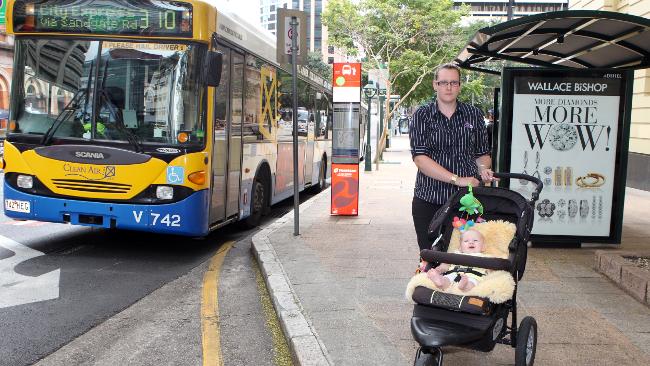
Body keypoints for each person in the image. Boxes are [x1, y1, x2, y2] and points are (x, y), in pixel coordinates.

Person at [410, 63, 495, 252]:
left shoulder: (473, 115)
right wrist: (457, 180)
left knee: (465, 256)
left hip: (466, 202)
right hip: (429, 199)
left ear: (459, 86)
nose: (448, 87)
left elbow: (481, 154)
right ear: (435, 85)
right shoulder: (422, 116)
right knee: (431, 259)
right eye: (444, 82)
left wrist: (484, 170)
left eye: (453, 83)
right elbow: (420, 159)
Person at [423, 229, 489, 291]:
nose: (471, 242)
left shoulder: (486, 257)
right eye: (466, 241)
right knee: (446, 279)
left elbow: (492, 267)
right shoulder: (455, 254)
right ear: (460, 247)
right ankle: (440, 282)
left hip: (473, 276)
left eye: (475, 240)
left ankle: (464, 285)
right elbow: (446, 264)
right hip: (453, 273)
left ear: (483, 247)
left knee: (472, 284)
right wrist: (440, 269)